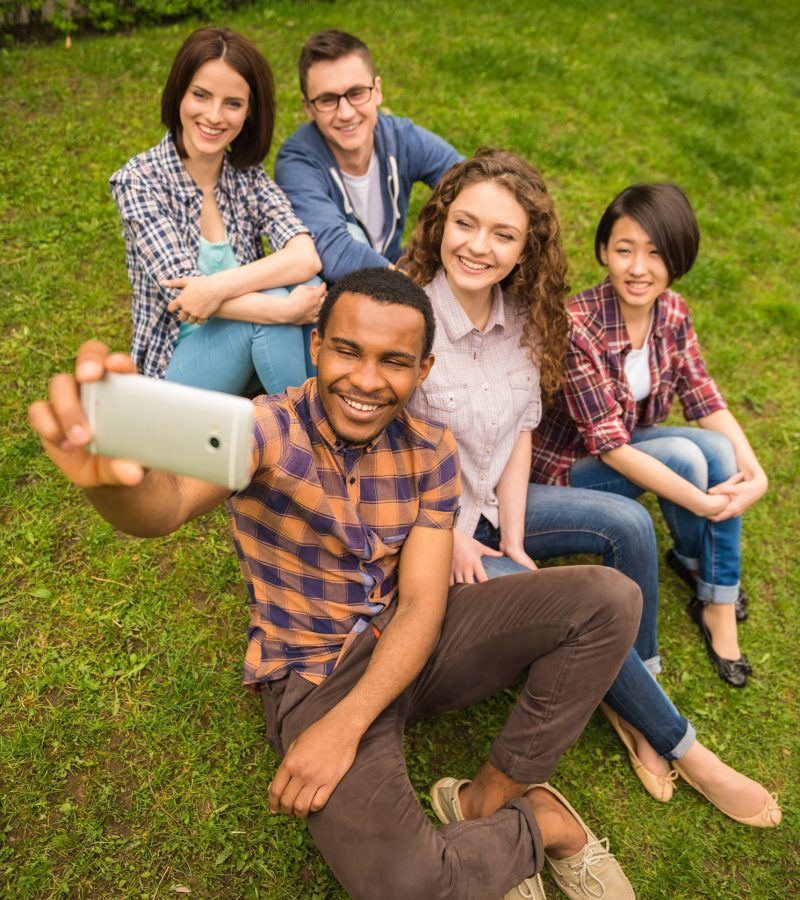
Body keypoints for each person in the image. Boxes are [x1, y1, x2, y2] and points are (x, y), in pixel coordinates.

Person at [29, 267, 644, 900]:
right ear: (317, 345)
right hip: (314, 670)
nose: (367, 380)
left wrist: (350, 725)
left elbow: (425, 605)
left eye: (394, 362)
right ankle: (544, 825)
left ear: (423, 370)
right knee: (409, 887)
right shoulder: (267, 429)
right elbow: (167, 506)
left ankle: (493, 797)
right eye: (347, 351)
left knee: (609, 599)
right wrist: (114, 483)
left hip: (412, 639)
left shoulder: (432, 450)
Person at [402, 150, 781, 829]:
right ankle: (686, 748)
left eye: (503, 235)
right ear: (441, 222)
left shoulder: (522, 316)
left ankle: (637, 688)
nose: (479, 247)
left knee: (629, 526)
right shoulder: (408, 315)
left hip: (498, 507)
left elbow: (520, 432)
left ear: (526, 249)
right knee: (582, 606)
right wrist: (455, 534)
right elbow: (382, 454)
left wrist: (513, 536)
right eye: (466, 224)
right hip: (431, 531)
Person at [530, 183, 767, 689]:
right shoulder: (577, 325)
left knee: (719, 450)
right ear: (602, 252)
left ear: (677, 258)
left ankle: (715, 594)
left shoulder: (673, 311)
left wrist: (756, 472)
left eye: (656, 253)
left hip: (626, 441)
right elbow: (611, 446)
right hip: (565, 467)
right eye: (624, 250)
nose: (638, 268)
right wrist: (704, 505)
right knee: (684, 458)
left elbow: (705, 396)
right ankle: (699, 559)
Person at [110, 26, 325, 396]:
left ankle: (312, 420)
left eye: (233, 103)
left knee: (305, 285)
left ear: (249, 112)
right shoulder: (139, 181)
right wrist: (284, 312)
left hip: (247, 350)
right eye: (200, 95)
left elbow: (305, 256)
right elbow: (184, 296)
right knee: (279, 304)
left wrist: (217, 286)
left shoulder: (246, 178)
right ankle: (307, 434)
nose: (213, 115)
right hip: (176, 369)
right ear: (179, 93)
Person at [274, 29, 462, 282]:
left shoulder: (401, 138)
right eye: (327, 100)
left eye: (356, 93)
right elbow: (334, 251)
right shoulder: (297, 160)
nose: (346, 113)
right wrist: (414, 288)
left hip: (392, 275)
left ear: (377, 91)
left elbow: (470, 184)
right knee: (351, 234)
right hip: (330, 297)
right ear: (308, 108)